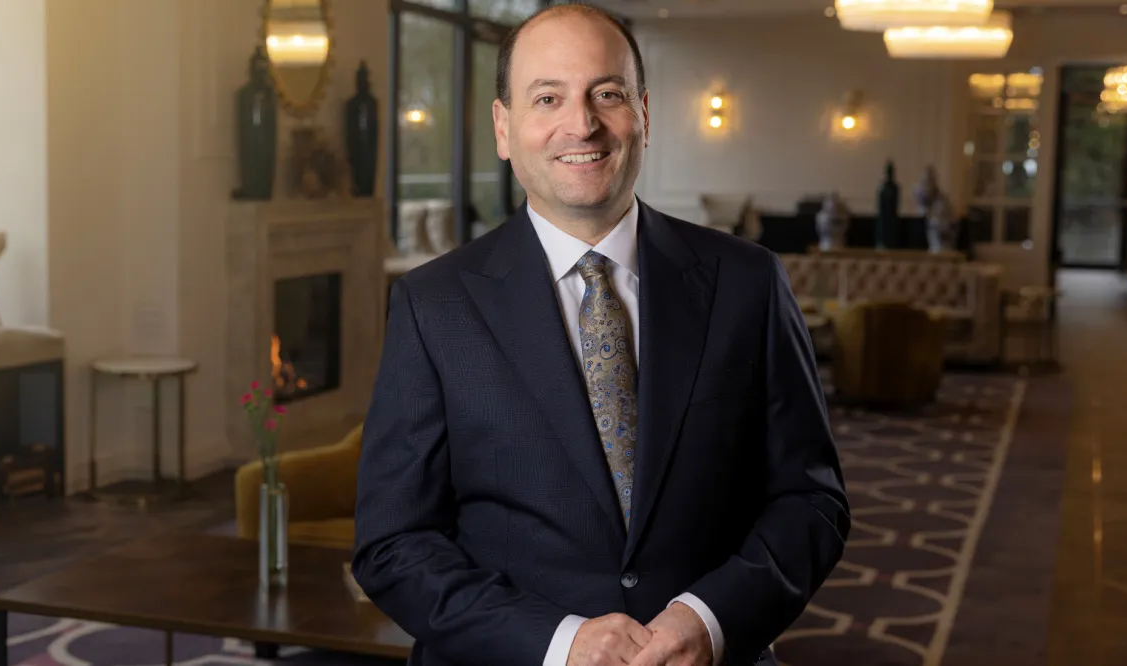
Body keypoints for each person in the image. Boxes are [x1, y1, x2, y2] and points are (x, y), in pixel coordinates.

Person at [352, 5, 849, 666]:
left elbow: (810, 500)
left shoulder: (747, 283)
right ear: (504, 128)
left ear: (643, 113)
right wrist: (561, 644)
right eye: (548, 98)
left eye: (606, 95)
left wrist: (708, 619)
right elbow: (393, 543)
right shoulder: (432, 305)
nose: (580, 124)